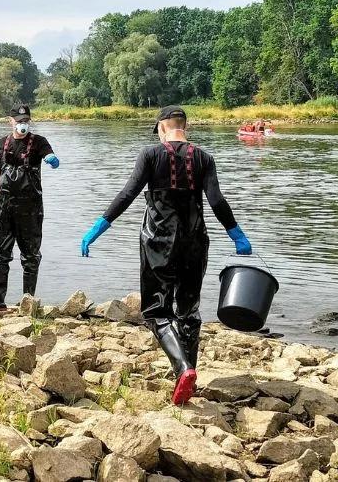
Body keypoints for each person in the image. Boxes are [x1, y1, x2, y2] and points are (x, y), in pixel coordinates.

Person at [79, 106, 252, 407]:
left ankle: (182, 369)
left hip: (158, 242)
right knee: (189, 310)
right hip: (195, 241)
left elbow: (127, 194)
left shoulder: (150, 154)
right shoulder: (204, 158)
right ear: (185, 127)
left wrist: (98, 227)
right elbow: (217, 201)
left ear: (161, 127)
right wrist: (236, 234)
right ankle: (189, 377)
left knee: (157, 312)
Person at [0, 104, 59, 314]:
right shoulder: (0, 145)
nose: (22, 124)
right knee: (0, 256)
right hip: (3, 208)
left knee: (30, 257)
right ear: (10, 121)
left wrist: (51, 159)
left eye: (26, 120)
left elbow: (50, 155)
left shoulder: (39, 142)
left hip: (30, 209)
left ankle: (28, 302)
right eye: (19, 120)